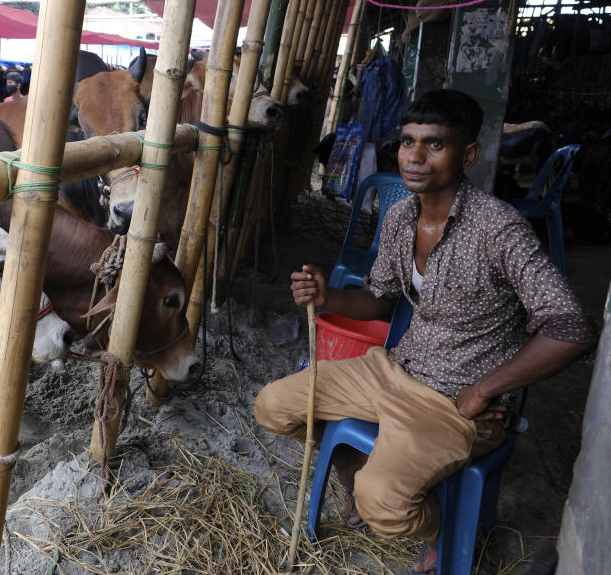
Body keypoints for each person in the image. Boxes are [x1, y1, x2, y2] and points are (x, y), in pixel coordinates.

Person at [254, 89, 596, 574]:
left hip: (456, 402)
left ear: (468, 155)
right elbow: (379, 298)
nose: (414, 156)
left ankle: (442, 530)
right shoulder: (399, 218)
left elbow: (572, 328)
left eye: (434, 144)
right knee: (273, 404)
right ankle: (353, 471)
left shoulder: (500, 229)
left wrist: (485, 390)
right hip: (393, 370)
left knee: (384, 508)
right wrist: (328, 296)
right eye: (407, 142)